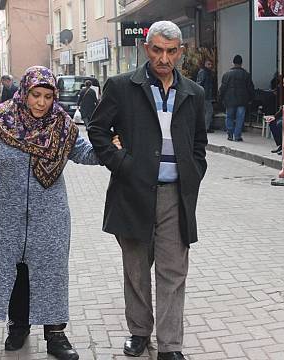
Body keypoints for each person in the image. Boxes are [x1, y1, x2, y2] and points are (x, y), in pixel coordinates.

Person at [0, 66, 120, 360]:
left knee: (50, 272)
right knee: (16, 271)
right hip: (7, 216)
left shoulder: (61, 124)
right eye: (36, 95)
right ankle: (18, 326)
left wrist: (106, 150)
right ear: (24, 93)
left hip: (50, 214)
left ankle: (56, 335)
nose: (41, 102)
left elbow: (83, 153)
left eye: (48, 96)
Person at [87, 20, 208, 360]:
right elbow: (97, 130)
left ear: (180, 52)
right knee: (137, 269)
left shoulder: (194, 93)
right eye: (157, 50)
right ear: (146, 48)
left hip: (176, 195)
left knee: (173, 271)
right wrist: (121, 163)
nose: (163, 58)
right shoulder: (122, 86)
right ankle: (139, 332)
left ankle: (170, 345)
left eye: (171, 51)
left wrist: (195, 171)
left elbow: (199, 141)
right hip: (133, 193)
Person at [218, 54, 255, 141]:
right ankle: (237, 136)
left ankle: (230, 134)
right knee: (240, 118)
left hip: (229, 101)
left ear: (233, 62)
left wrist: (220, 98)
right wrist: (251, 98)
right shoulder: (246, 74)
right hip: (242, 101)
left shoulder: (226, 74)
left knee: (229, 117)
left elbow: (222, 88)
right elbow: (250, 88)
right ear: (241, 63)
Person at [196, 59, 215, 133]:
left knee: (205, 112)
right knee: (209, 111)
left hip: (206, 95)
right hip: (205, 95)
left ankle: (204, 127)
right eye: (208, 64)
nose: (210, 66)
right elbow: (199, 83)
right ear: (205, 64)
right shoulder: (204, 72)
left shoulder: (207, 72)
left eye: (211, 64)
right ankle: (206, 127)